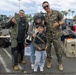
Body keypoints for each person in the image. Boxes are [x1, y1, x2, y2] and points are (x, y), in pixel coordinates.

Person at [42, 1, 65, 71]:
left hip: (56, 35)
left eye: (47, 6)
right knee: (48, 50)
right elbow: (44, 25)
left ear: (49, 5)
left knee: (58, 50)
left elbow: (63, 20)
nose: (46, 8)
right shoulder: (45, 16)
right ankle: (49, 61)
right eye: (44, 7)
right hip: (48, 36)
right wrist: (43, 24)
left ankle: (60, 63)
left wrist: (58, 24)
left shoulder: (56, 12)